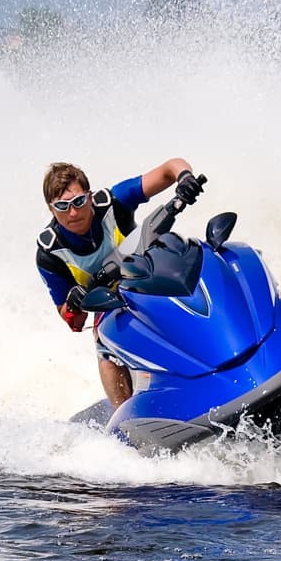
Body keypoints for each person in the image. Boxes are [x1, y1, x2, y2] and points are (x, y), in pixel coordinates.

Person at [35, 158, 203, 408]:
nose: (73, 213)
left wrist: (185, 178)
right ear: (51, 209)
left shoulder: (116, 201)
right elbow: (72, 319)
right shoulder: (50, 253)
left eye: (79, 201)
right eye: (62, 206)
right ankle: (126, 420)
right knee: (104, 342)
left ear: (90, 197)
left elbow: (171, 168)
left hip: (152, 282)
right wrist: (73, 303)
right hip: (112, 311)